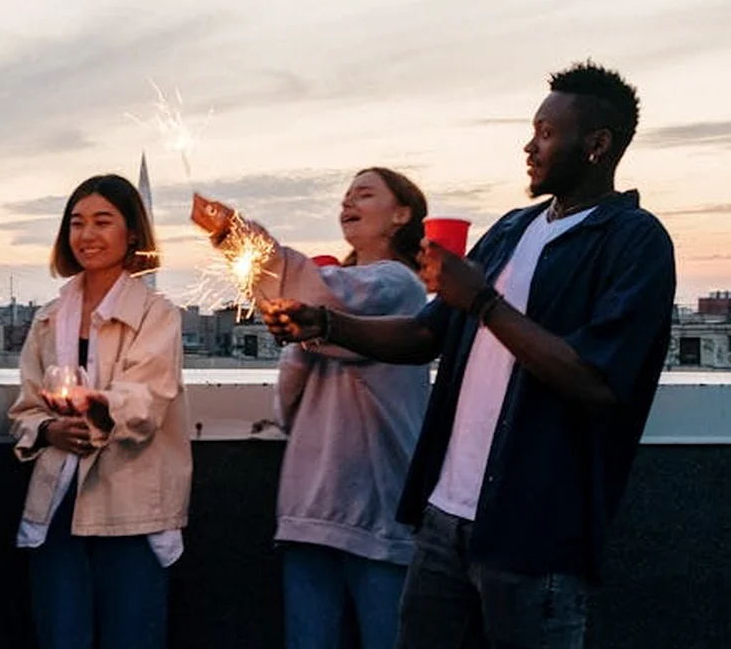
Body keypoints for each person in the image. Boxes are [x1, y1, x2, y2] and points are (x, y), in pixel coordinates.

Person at [261, 61, 675, 648]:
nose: (529, 146)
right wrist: (324, 322)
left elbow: (597, 380)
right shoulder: (512, 229)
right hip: (443, 522)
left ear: (597, 145)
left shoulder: (635, 241)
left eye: (546, 133)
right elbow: (424, 335)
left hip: (536, 535)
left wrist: (481, 299)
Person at [192, 167, 432, 649]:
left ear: (401, 215)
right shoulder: (336, 289)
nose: (349, 202)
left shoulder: (399, 285)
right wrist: (300, 330)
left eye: (364, 194)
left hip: (371, 510)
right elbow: (288, 400)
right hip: (314, 510)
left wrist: (236, 234)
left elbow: (326, 299)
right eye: (346, 195)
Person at [10, 174, 192, 649]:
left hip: (130, 505)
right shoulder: (48, 317)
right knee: (60, 634)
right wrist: (50, 430)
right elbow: (25, 407)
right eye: (77, 223)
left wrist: (98, 407)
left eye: (102, 221)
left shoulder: (158, 314)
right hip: (58, 504)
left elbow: (147, 398)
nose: (86, 235)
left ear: (132, 232)